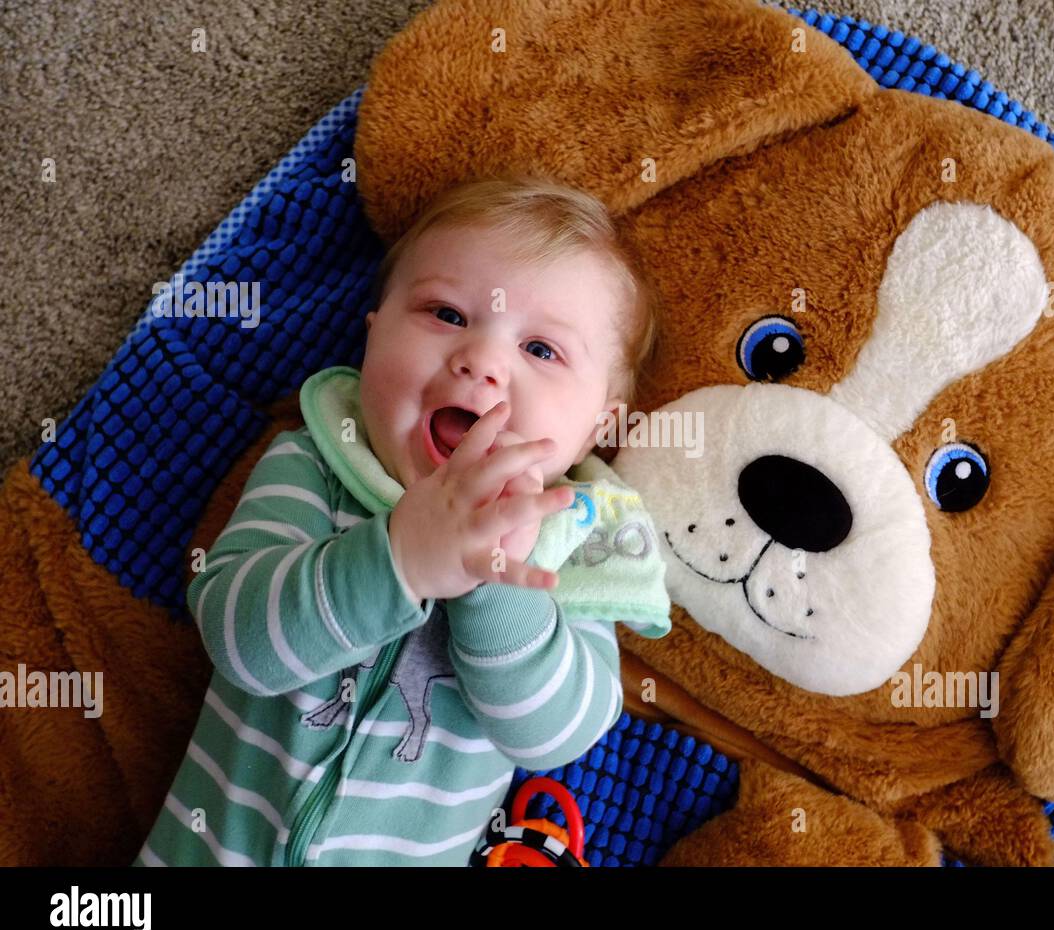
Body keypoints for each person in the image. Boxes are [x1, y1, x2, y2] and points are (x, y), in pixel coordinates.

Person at [134, 174, 671, 866]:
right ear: (373, 335)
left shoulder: (574, 546)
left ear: (602, 424)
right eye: (446, 313)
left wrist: (495, 578)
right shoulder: (319, 466)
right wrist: (403, 556)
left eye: (541, 350)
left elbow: (553, 737)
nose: (480, 360)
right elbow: (239, 642)